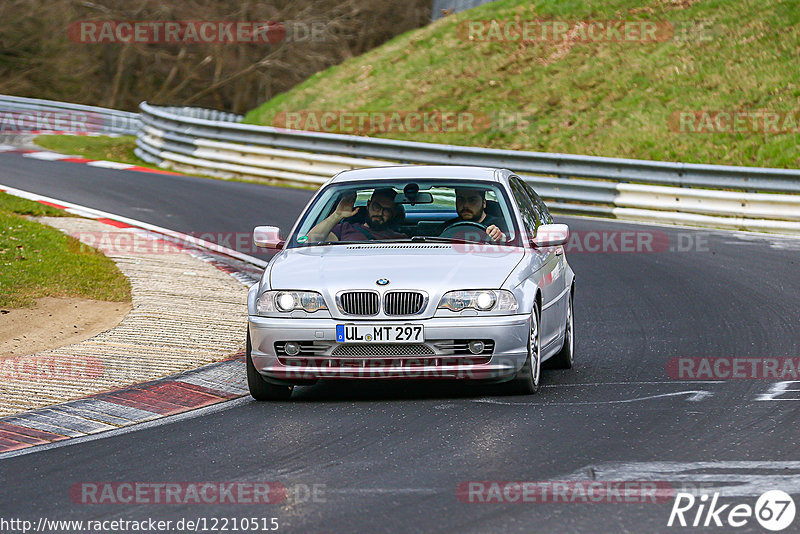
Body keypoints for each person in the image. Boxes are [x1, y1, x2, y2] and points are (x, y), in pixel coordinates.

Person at [307, 187, 406, 242]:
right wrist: (337, 215)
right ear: (368, 205)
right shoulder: (344, 229)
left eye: (387, 210)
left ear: (393, 213)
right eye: (377, 207)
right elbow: (311, 240)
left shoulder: (401, 239)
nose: (380, 213)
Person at [439, 187, 507, 241]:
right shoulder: (446, 228)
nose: (465, 205)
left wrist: (501, 237)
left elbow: (512, 241)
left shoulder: (503, 225)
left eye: (472, 200)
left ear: (484, 203)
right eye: (461, 200)